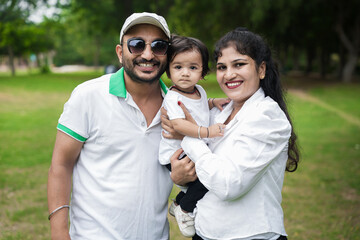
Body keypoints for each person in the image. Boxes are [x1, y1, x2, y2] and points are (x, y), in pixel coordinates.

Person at [47, 12, 196, 240]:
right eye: (136, 45)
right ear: (120, 52)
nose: (147, 54)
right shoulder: (88, 96)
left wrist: (181, 177)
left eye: (158, 46)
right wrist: (59, 233)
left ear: (167, 54)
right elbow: (60, 165)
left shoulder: (179, 108)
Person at [161, 27, 300, 240]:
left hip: (249, 235)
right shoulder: (221, 112)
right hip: (206, 232)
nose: (229, 74)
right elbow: (205, 169)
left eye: (239, 64)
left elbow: (228, 185)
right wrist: (179, 177)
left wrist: (189, 136)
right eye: (221, 67)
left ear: (261, 69)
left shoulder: (267, 117)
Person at [158, 34, 228, 237]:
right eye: (178, 67)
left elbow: (199, 107)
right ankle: (185, 209)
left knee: (204, 180)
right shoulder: (173, 97)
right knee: (206, 180)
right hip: (176, 153)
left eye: (193, 68)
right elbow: (179, 124)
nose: (185, 74)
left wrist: (213, 102)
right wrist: (206, 132)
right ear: (169, 71)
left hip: (190, 150)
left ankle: (179, 202)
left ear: (202, 71)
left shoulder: (198, 90)